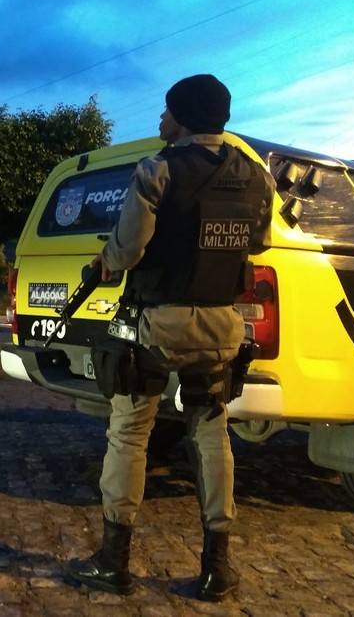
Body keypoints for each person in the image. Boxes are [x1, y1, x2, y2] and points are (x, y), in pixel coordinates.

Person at [64, 74, 275, 601]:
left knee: (130, 433)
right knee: (211, 434)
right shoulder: (256, 175)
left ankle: (114, 561)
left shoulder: (156, 170)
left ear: (181, 117)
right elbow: (261, 240)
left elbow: (128, 250)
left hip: (159, 324)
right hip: (221, 327)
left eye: (165, 112)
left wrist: (104, 262)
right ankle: (217, 568)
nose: (160, 121)